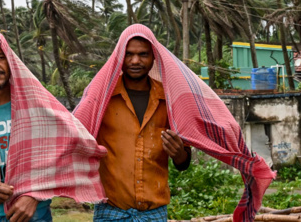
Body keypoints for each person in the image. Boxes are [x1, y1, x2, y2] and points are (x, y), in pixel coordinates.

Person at [74, 24, 276, 222]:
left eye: (143, 54)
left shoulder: (170, 100)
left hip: (154, 214)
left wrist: (179, 153)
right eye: (129, 54)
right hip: (111, 212)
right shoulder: (101, 100)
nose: (135, 61)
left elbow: (183, 162)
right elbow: (74, 135)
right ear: (120, 57)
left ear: (154, 57)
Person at [0, 30, 106, 222]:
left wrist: (34, 195)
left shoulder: (37, 106)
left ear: (10, 60)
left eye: (0, 58)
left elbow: (65, 154)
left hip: (36, 214)